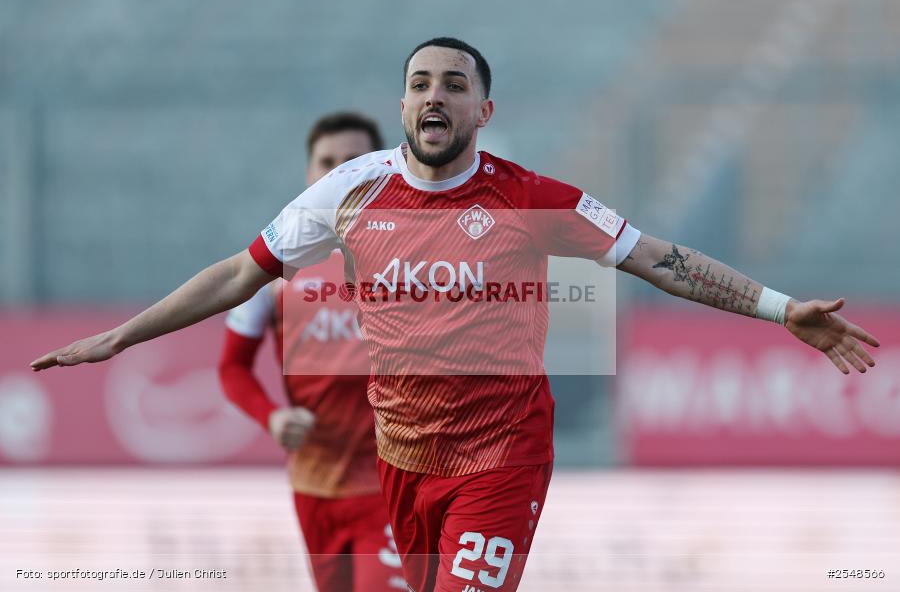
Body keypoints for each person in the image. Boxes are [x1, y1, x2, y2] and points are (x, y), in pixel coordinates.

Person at [31, 37, 880, 592]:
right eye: (419, 84)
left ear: (484, 111)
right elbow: (235, 275)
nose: (434, 96)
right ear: (403, 106)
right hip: (399, 459)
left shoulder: (530, 200)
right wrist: (120, 336)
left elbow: (659, 258)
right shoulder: (349, 191)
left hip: (501, 458)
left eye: (454, 85)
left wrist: (778, 310)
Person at [218, 112, 405, 592]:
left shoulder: (416, 260)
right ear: (309, 176)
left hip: (392, 484)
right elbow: (232, 367)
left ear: (383, 170)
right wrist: (272, 418)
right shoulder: (275, 269)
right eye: (327, 163)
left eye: (355, 162)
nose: (341, 175)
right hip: (313, 484)